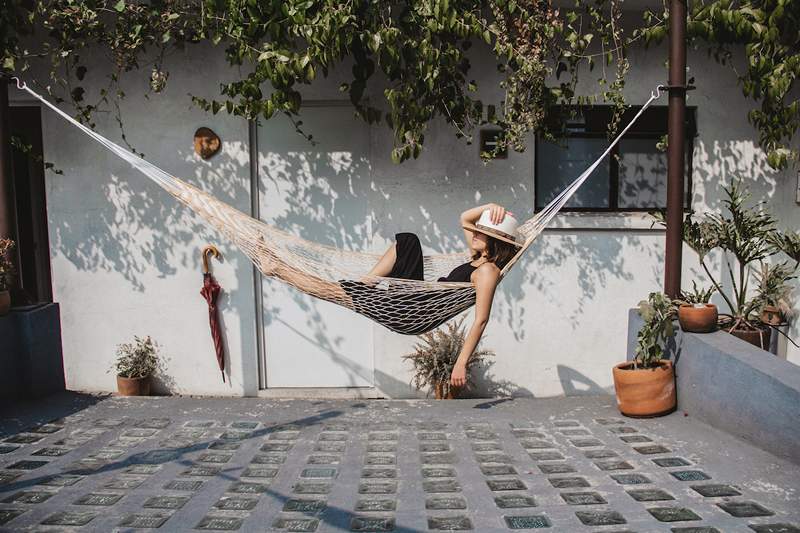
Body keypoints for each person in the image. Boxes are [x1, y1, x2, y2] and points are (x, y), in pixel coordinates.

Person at [264, 203, 522, 388]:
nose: (474, 232)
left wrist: (460, 363)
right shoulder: (478, 259)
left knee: (336, 292)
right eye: (478, 230)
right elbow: (465, 217)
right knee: (408, 242)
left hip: (415, 312)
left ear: (495, 241)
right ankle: (365, 284)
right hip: (416, 298)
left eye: (482, 232)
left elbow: (481, 320)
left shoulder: (488, 271)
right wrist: (490, 206)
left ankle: (275, 268)